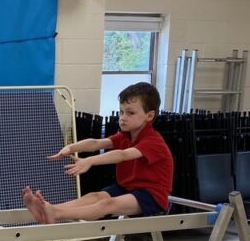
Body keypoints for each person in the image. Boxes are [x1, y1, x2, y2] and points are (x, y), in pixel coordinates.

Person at [23, 82, 173, 223]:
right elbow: (95, 143)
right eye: (121, 112)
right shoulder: (125, 136)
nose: (122, 118)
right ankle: (49, 209)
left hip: (151, 195)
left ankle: (56, 214)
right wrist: (70, 148)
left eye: (130, 113)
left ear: (150, 116)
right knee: (95, 196)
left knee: (107, 203)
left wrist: (90, 161)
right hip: (127, 188)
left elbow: (123, 155)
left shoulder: (153, 141)